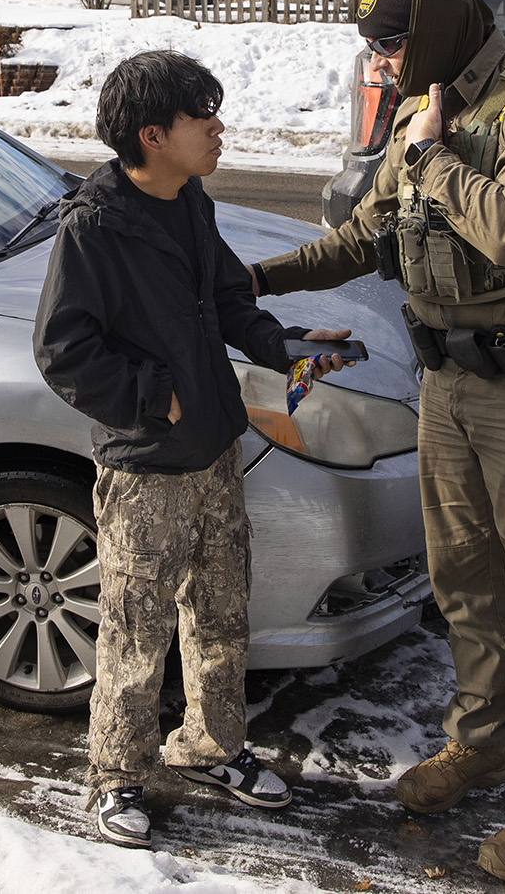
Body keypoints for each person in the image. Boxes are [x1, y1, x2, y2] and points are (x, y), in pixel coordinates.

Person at [249, 0, 505, 885]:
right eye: (371, 42)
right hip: (450, 383)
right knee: (463, 580)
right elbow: (361, 234)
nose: (381, 56)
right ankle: (480, 743)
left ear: (444, 25)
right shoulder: (429, 108)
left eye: (392, 39)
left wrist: (432, 153)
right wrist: (253, 278)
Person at [32, 50, 353, 849]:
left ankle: (211, 746)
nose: (218, 127)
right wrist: (153, 395)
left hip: (213, 451)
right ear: (152, 134)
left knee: (219, 615)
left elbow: (229, 297)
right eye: (200, 117)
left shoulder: (189, 198)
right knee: (135, 629)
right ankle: (117, 776)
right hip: (145, 468)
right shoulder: (95, 228)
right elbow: (64, 352)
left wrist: (284, 346)